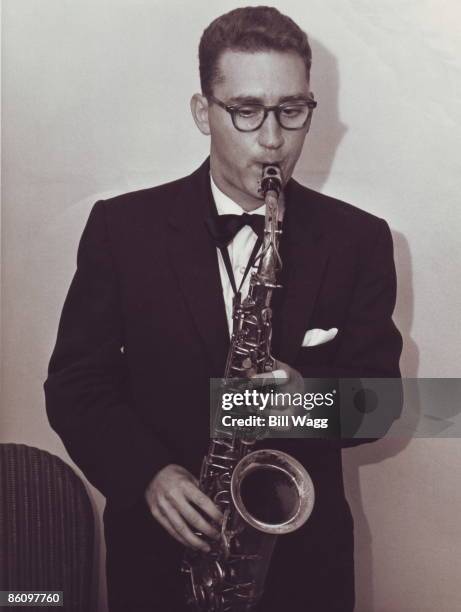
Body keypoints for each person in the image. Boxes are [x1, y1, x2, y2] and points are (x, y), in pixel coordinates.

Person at [45, 6, 402, 612]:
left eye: (292, 111)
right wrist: (149, 474)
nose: (272, 139)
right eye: (246, 111)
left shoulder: (359, 240)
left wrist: (304, 399)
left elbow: (384, 402)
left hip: (303, 570)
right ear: (201, 112)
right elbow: (76, 385)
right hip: (159, 560)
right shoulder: (121, 230)